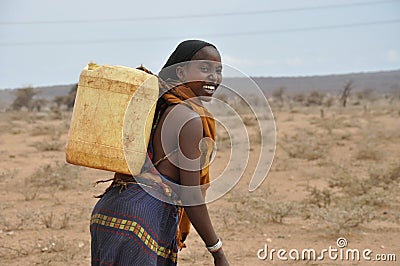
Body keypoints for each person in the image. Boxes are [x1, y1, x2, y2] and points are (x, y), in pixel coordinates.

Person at [90, 40, 229, 266]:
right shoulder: (190, 119)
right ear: (181, 71)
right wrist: (217, 251)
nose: (213, 77)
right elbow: (191, 196)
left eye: (218, 70)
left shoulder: (156, 104)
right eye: (204, 69)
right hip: (140, 219)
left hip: (110, 211)